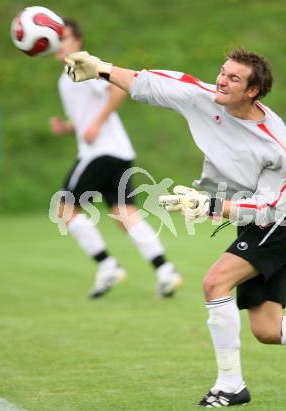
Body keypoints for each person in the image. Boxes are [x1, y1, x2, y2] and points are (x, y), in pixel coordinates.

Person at [64, 48, 286, 406]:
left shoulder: (275, 146)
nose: (222, 81)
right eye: (222, 72)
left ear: (253, 91)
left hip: (280, 222)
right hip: (255, 223)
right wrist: (100, 69)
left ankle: (230, 385)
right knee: (268, 330)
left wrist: (209, 205)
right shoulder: (207, 98)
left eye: (233, 78)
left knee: (215, 282)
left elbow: (269, 208)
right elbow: (152, 84)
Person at [50, 18, 182, 299]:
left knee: (65, 209)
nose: (60, 43)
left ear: (77, 41)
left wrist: (97, 123)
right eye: (56, 37)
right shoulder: (65, 79)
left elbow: (117, 88)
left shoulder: (83, 65)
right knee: (125, 214)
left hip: (100, 152)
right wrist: (69, 127)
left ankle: (107, 266)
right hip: (118, 151)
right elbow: (83, 116)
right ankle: (165, 271)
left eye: (66, 37)